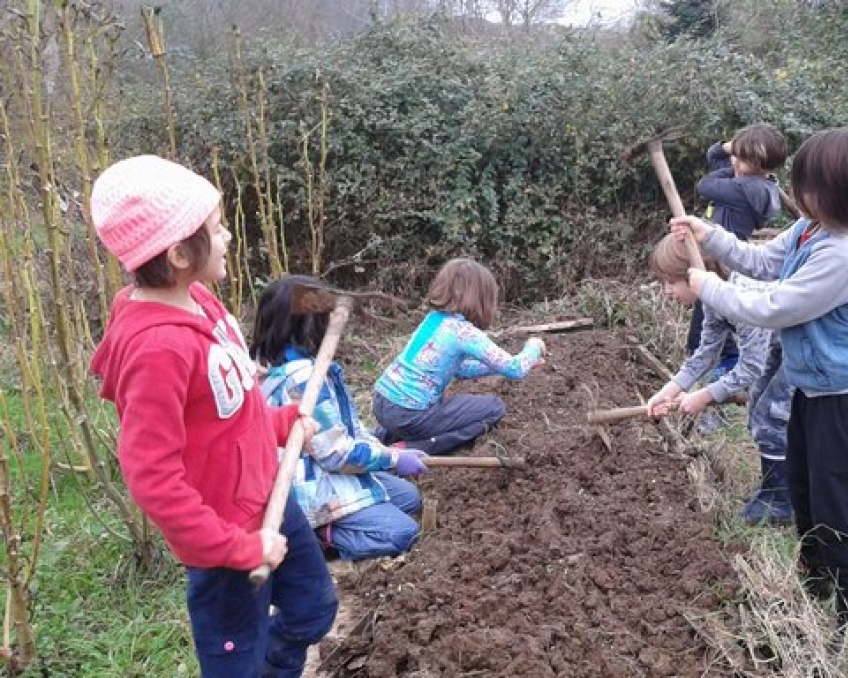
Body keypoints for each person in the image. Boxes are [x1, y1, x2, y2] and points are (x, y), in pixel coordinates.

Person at [88, 155, 337, 677]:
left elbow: (227, 412)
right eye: (216, 228)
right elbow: (152, 477)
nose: (227, 237)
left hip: (268, 495)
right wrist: (237, 547)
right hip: (225, 546)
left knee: (313, 608)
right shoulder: (157, 350)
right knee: (234, 665)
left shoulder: (202, 301)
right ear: (179, 252)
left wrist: (279, 421)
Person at [670, 127, 848, 651]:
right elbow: (768, 260)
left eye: (809, 186)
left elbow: (773, 307)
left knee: (841, 505)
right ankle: (817, 582)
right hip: (815, 386)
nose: (800, 194)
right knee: (804, 488)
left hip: (847, 393)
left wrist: (710, 287)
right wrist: (711, 237)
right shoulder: (814, 227)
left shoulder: (843, 252)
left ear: (839, 198)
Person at [251, 275, 429, 562]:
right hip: (311, 490)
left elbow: (348, 428)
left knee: (409, 497)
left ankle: (345, 521)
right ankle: (321, 536)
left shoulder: (280, 363)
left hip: (320, 469)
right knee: (401, 533)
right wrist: (393, 461)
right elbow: (335, 454)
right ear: (312, 323)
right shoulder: (304, 378)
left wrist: (386, 452)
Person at [644, 234, 795, 525]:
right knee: (758, 414)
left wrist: (704, 396)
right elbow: (706, 353)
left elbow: (750, 367)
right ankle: (784, 485)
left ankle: (780, 501)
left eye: (671, 282)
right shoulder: (713, 300)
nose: (667, 292)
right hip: (779, 347)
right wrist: (672, 388)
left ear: (695, 274)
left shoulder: (743, 297)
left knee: (772, 416)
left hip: (803, 346)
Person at [372, 258, 545, 456]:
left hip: (382, 402)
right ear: (481, 298)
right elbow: (515, 369)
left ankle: (378, 438)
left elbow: (460, 370)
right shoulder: (463, 332)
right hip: (410, 415)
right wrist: (534, 346)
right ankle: (411, 449)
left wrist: (498, 366)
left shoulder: (433, 320)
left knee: (424, 408)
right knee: (494, 408)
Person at [685, 124, 789, 433]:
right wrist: (735, 150)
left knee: (708, 336)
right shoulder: (762, 183)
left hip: (726, 263)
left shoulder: (751, 189)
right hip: (726, 257)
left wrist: (736, 160)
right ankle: (714, 393)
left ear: (758, 165)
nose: (733, 162)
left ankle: (712, 403)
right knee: (719, 333)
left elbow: (705, 185)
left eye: (742, 160)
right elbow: (714, 156)